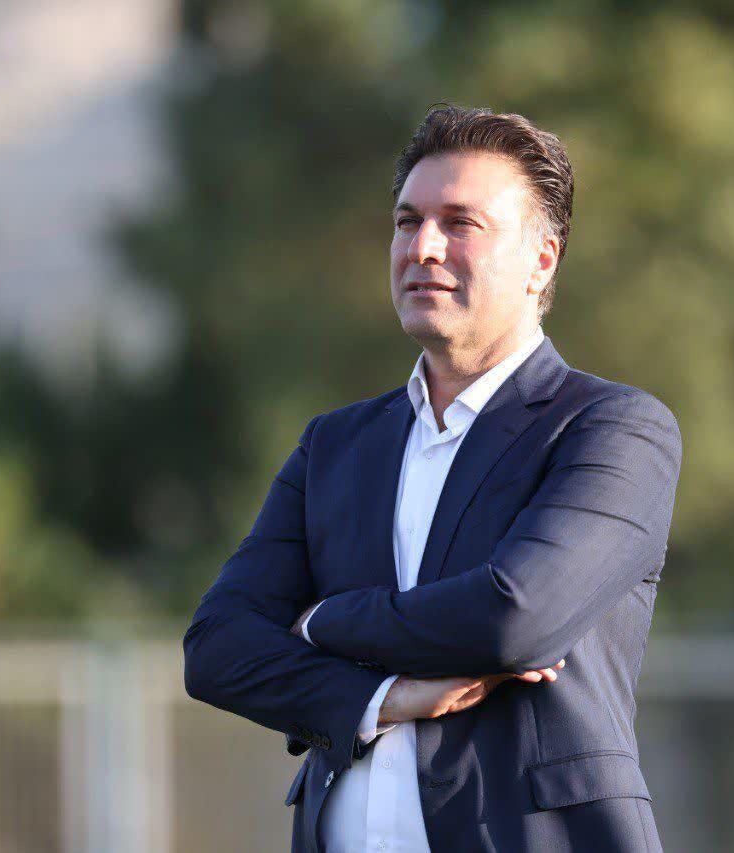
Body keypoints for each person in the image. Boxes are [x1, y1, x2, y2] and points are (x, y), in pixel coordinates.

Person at [183, 104, 681, 852]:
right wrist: (382, 697)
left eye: (460, 223)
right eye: (407, 221)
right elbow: (216, 648)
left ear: (542, 260)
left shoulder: (612, 428)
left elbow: (513, 619)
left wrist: (320, 622)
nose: (422, 246)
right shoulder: (334, 445)